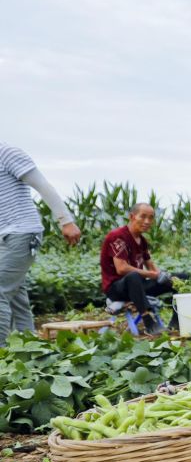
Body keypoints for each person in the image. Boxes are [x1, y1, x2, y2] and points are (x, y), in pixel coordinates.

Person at [0, 142, 82, 340]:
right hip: (4, 236)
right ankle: (29, 347)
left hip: (21, 232)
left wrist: (66, 221)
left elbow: (43, 186)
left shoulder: (6, 152)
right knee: (16, 296)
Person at [100, 203, 178, 334]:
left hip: (137, 287)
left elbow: (150, 265)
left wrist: (162, 275)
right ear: (132, 217)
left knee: (179, 278)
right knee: (133, 276)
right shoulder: (117, 236)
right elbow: (121, 268)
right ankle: (149, 323)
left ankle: (176, 322)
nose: (147, 221)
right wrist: (151, 274)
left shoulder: (142, 240)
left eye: (151, 218)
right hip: (116, 289)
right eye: (143, 216)